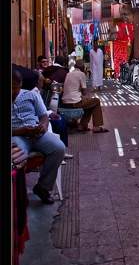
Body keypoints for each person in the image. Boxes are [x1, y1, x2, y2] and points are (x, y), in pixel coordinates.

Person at [12, 68, 65, 205]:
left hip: (36, 134)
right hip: (17, 135)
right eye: (12, 88)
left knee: (58, 147)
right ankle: (19, 194)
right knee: (18, 156)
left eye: (17, 87)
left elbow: (43, 115)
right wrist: (21, 131)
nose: (15, 91)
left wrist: (43, 126)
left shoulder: (30, 95)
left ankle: (43, 187)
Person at [61, 59, 109, 133]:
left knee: (90, 103)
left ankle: (82, 126)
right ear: (83, 68)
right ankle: (96, 126)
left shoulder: (69, 74)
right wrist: (85, 76)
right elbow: (84, 92)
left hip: (65, 102)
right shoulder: (81, 74)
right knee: (96, 101)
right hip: (75, 102)